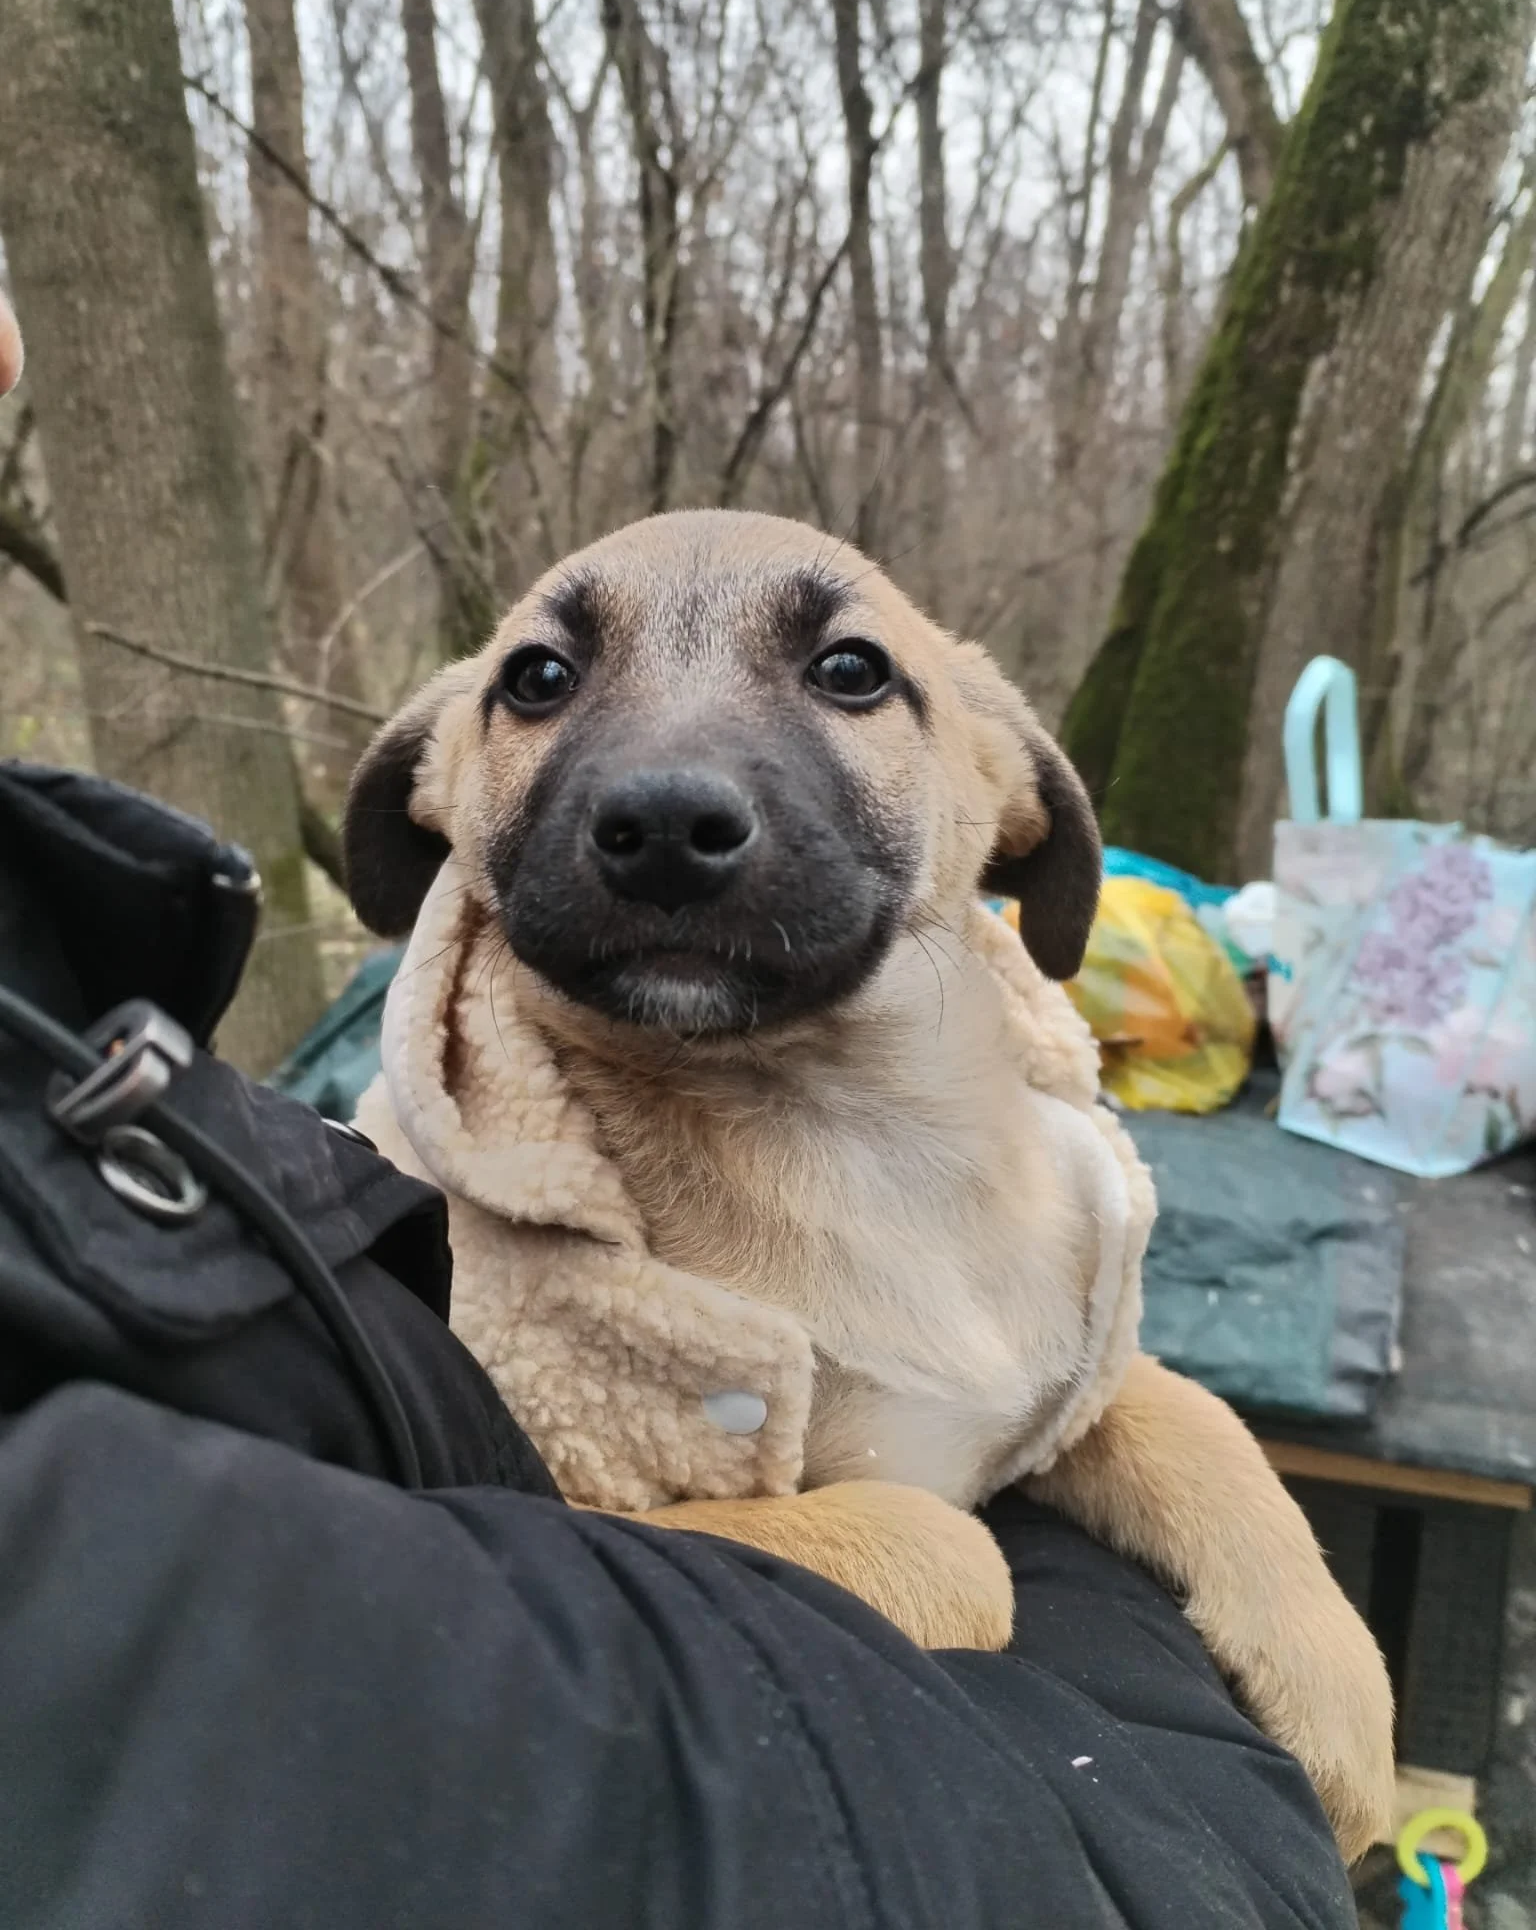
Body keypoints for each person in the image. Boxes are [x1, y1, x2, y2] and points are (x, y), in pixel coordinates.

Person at [0, 299, 1356, 1928]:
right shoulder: (460, 1237)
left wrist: (1222, 1510)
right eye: (552, 681)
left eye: (847, 674)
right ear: (433, 799)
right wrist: (929, 1556)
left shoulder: (1045, 1174)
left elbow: (1068, 1392)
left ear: (1003, 804)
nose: (668, 790)